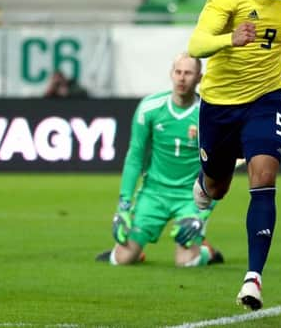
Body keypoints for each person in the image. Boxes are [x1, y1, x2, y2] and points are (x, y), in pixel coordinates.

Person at [187, 0, 281, 310]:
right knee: (219, 185)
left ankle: (253, 278)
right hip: (219, 105)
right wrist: (230, 39)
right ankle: (205, 185)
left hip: (266, 99)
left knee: (264, 174)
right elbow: (195, 44)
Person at [95, 53, 223, 267]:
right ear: (171, 74)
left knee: (185, 262)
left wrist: (202, 215)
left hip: (189, 197)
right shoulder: (149, 108)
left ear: (199, 78)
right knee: (121, 259)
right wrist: (123, 206)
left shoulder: (208, 115)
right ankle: (136, 251)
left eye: (188, 73)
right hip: (153, 193)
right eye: (178, 72)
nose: (182, 78)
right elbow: (134, 157)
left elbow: (220, 170)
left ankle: (206, 252)